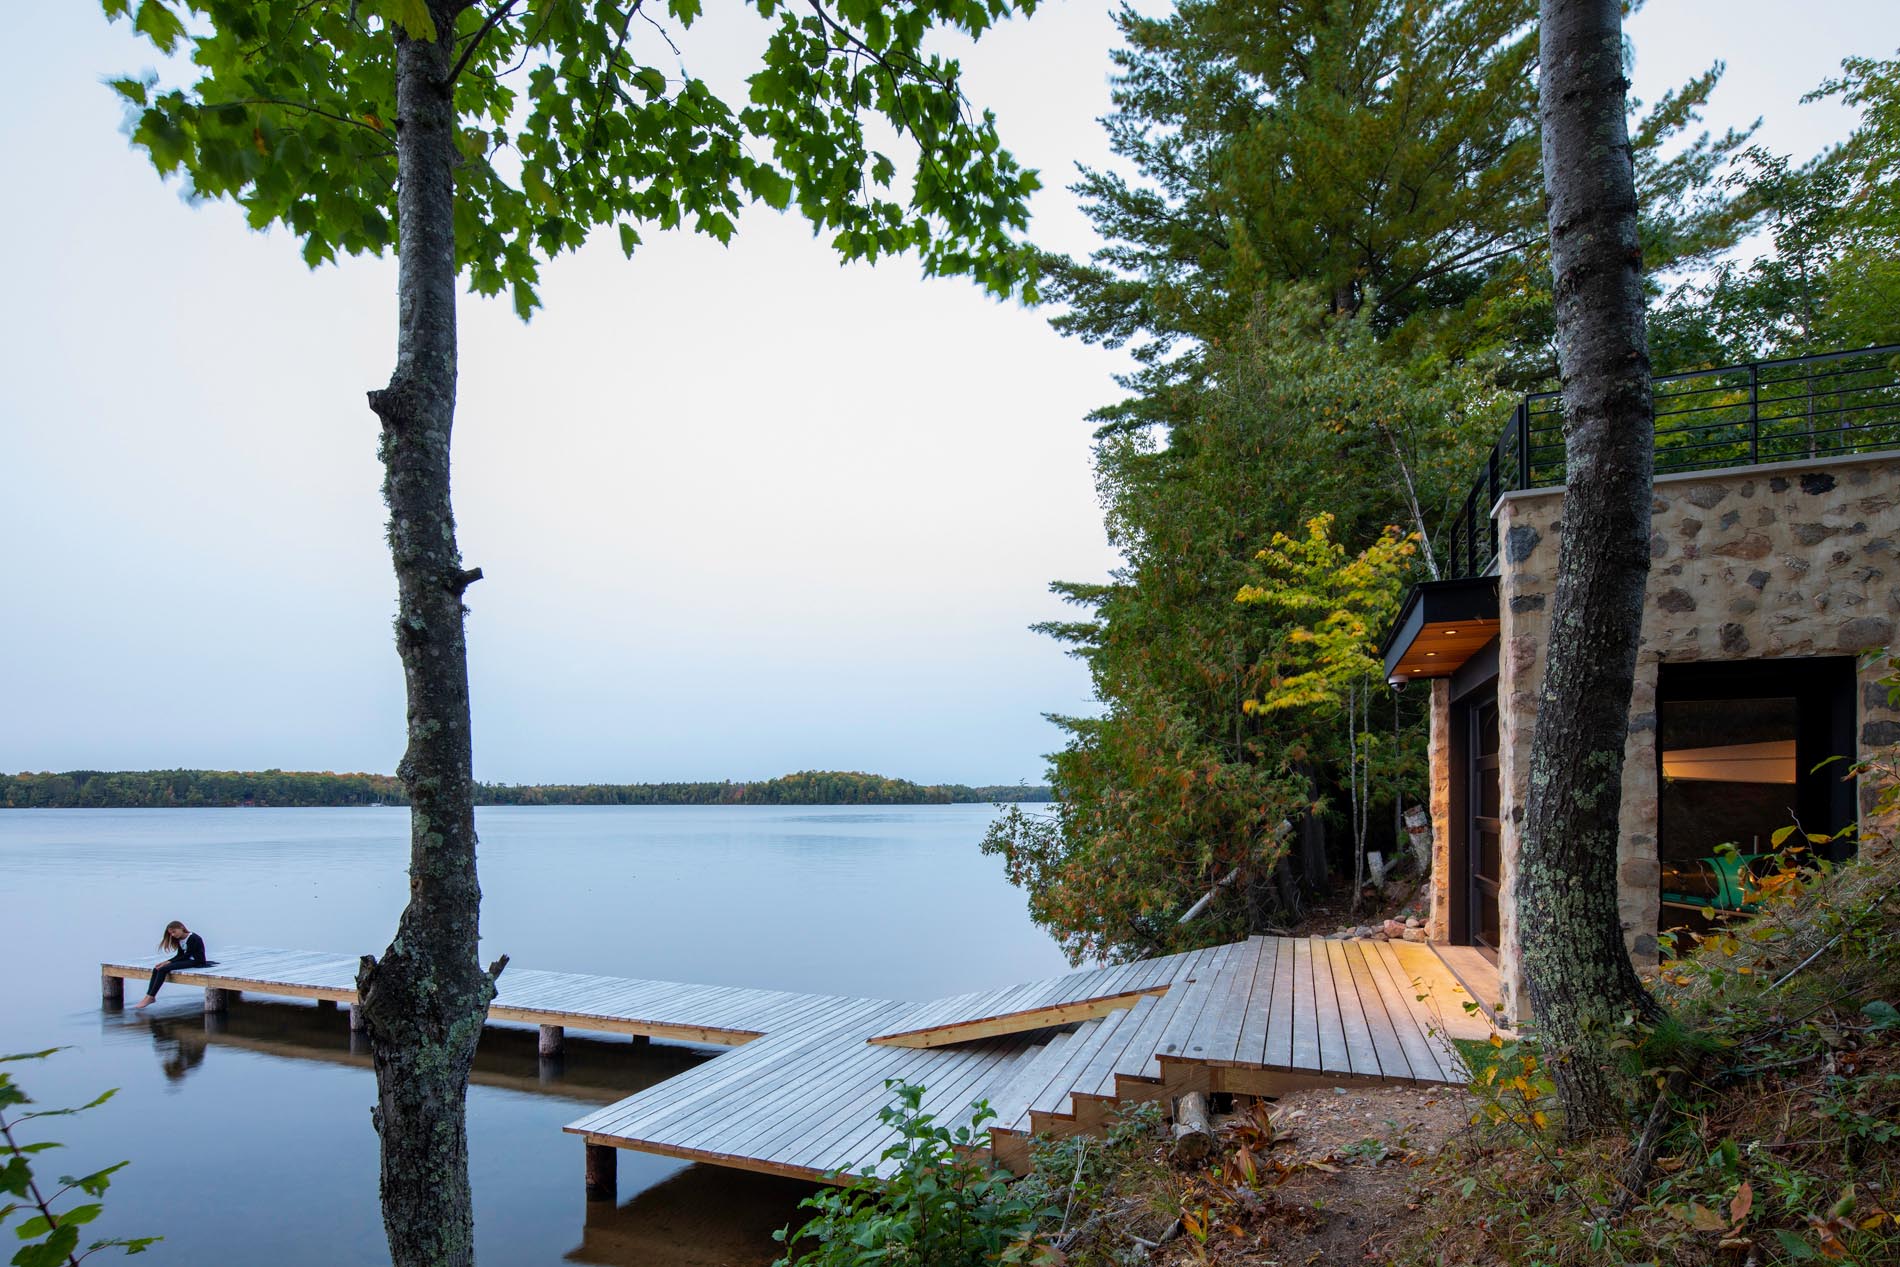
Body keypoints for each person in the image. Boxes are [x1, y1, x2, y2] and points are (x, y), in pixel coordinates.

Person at [135, 921, 210, 1009]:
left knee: (163, 969)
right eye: (171, 933)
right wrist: (166, 961)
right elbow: (180, 955)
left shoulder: (193, 937)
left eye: (174, 932)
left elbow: (187, 955)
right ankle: (148, 996)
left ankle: (151, 996)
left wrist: (169, 963)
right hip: (187, 959)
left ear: (181, 928)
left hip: (197, 961)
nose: (173, 935)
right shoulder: (180, 940)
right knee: (157, 969)